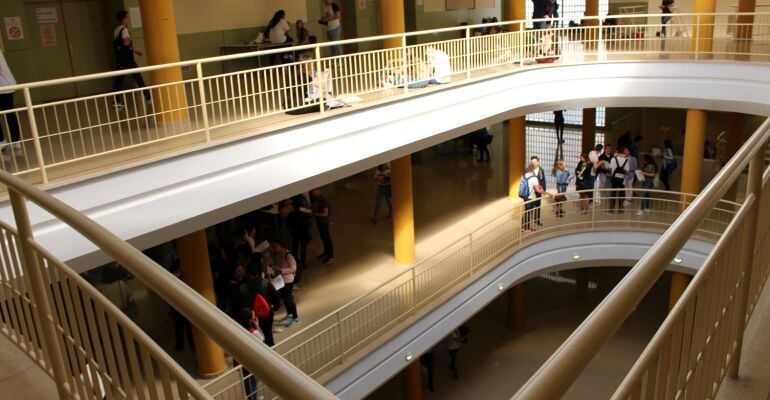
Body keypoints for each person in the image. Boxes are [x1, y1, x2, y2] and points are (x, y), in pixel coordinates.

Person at [112, 10, 150, 109]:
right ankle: (148, 98)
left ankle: (117, 102)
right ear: (124, 19)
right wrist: (130, 38)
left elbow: (121, 46)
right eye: (127, 17)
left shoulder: (116, 30)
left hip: (121, 60)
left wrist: (135, 51)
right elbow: (125, 43)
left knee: (119, 81)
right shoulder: (124, 30)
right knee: (139, 79)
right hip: (128, 61)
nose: (128, 19)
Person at [264, 241, 300, 328]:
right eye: (272, 246)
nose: (273, 248)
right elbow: (273, 266)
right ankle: (289, 314)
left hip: (288, 280)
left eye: (276, 246)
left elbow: (293, 268)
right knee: (285, 298)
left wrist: (281, 270)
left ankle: (296, 318)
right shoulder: (275, 254)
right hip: (279, 281)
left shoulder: (287, 254)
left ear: (281, 246)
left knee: (288, 299)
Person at [0, 46, 21, 155]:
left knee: (9, 113)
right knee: (9, 113)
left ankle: (3, 141)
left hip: (3, 86)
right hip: (8, 85)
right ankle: (15, 141)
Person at [288, 193, 313, 279]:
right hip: (303, 233)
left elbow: (289, 225)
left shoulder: (292, 213)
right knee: (303, 248)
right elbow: (309, 213)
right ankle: (302, 263)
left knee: (295, 248)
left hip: (296, 233)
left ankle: (295, 264)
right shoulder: (304, 211)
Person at [520, 161, 547, 232]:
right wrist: (545, 192)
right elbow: (538, 190)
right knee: (529, 213)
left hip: (525, 196)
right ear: (534, 169)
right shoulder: (534, 178)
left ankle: (523, 227)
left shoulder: (524, 176)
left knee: (526, 211)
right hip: (531, 197)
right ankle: (527, 228)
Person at [311, 188, 334, 264]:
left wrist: (315, 214)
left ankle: (330, 256)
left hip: (324, 222)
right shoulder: (317, 198)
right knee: (323, 238)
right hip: (320, 222)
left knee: (327, 239)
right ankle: (326, 252)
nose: (312, 193)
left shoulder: (323, 200)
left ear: (318, 190)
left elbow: (325, 213)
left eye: (313, 191)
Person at [608, 147, 629, 213]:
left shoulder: (613, 159)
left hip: (614, 179)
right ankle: (621, 209)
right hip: (622, 180)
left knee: (613, 194)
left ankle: (611, 210)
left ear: (617, 152)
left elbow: (610, 169)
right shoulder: (626, 160)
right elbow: (627, 171)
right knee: (621, 194)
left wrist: (612, 174)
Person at [531, 156, 546, 226]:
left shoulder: (541, 170)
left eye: (535, 162)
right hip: (531, 193)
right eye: (532, 162)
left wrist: (544, 190)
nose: (533, 163)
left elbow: (543, 181)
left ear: (538, 162)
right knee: (529, 207)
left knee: (538, 206)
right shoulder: (528, 170)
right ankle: (527, 223)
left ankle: (537, 220)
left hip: (538, 192)